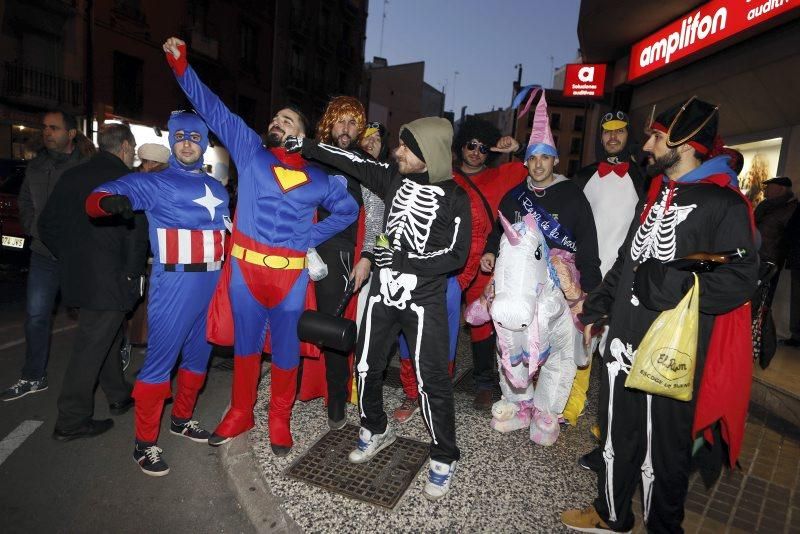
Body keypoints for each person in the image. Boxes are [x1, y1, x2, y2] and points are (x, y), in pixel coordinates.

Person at [561, 96, 758, 533]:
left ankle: (663, 527)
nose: (647, 145)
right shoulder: (654, 196)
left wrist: (681, 285)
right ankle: (611, 514)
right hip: (622, 342)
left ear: (685, 141)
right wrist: (594, 306)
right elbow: (627, 263)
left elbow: (743, 278)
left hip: (671, 351)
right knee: (616, 438)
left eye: (656, 135)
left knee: (663, 452)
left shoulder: (722, 205)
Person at [162, 37, 358, 456]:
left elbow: (347, 212)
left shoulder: (321, 178)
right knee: (247, 347)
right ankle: (240, 411)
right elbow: (212, 107)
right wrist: (181, 67)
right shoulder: (250, 149)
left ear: (302, 135)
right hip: (246, 273)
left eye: (288, 120)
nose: (278, 122)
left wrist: (310, 237)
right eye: (276, 117)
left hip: (288, 277)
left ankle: (280, 419)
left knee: (285, 351)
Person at [291, 116, 471, 501]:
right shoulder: (391, 177)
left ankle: (444, 454)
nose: (397, 151)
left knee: (431, 378)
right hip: (382, 292)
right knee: (366, 365)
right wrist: (305, 146)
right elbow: (350, 160)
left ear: (428, 154)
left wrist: (407, 261)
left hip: (423, 299)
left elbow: (457, 255)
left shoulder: (455, 197)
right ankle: (375, 426)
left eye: (407, 148)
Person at [86, 111, 230, 476]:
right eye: (180, 136)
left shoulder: (217, 188)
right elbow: (101, 195)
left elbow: (228, 233)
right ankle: (144, 443)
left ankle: (181, 419)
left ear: (203, 143)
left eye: (194, 138)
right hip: (175, 284)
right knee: (159, 364)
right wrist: (106, 201)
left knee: (199, 359)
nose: (186, 143)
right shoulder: (155, 182)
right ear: (172, 141)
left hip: (212, 286)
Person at [481, 87, 601, 430]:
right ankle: (518, 403)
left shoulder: (573, 196)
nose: (538, 164)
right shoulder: (514, 196)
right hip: (520, 283)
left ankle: (548, 410)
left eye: (545, 157)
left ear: (555, 161)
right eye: (533, 157)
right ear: (525, 161)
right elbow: (497, 232)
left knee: (559, 350)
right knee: (509, 337)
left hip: (559, 285)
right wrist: (491, 251)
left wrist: (590, 291)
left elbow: (588, 245)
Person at [39, 123, 148, 441]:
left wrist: (70, 256)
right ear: (126, 147)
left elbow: (46, 225)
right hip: (111, 278)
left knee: (106, 336)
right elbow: (136, 237)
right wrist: (134, 276)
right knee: (91, 345)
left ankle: (118, 394)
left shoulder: (72, 175)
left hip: (78, 275)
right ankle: (71, 419)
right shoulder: (127, 181)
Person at [569, 111, 648, 466]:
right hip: (586, 277)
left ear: (628, 135)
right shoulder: (584, 176)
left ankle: (608, 425)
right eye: (607, 132)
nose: (613, 137)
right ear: (600, 138)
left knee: (615, 354)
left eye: (619, 131)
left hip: (623, 282)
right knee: (579, 346)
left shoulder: (644, 181)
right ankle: (572, 405)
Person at [1, 110, 90, 402]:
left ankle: (107, 366)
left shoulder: (85, 166)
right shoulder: (37, 165)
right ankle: (33, 376)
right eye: (45, 127)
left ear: (71, 133)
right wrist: (32, 227)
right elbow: (26, 200)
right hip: (42, 254)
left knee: (95, 314)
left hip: (77, 256)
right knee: (36, 316)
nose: (47, 132)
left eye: (54, 128)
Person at [313, 98, 385, 430]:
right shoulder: (312, 157)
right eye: (340, 121)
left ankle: (339, 399)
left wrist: (368, 257)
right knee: (312, 329)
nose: (346, 129)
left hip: (346, 256)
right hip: (307, 251)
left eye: (353, 123)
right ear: (329, 124)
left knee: (345, 332)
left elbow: (377, 218)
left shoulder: (364, 164)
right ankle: (325, 393)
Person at [452, 117, 528, 411]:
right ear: (462, 145)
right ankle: (436, 377)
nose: (476, 152)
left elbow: (538, 166)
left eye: (484, 149)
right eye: (471, 145)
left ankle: (484, 383)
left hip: (485, 260)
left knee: (483, 323)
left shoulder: (503, 175)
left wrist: (518, 147)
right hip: (449, 261)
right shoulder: (445, 175)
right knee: (440, 322)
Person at [753, 176, 796, 365]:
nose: (766, 190)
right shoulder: (765, 206)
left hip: (770, 262)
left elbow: (787, 238)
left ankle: (760, 336)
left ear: (780, 189)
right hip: (753, 257)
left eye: (769, 187)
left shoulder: (791, 208)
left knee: (764, 300)